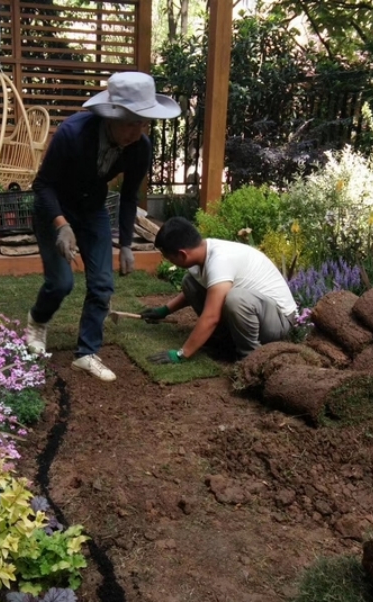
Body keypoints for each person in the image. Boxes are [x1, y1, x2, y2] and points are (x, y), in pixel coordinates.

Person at [24, 71, 181, 382]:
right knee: (61, 283)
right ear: (111, 116)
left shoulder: (140, 147)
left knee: (102, 285)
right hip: (54, 210)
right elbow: (42, 186)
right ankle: (37, 321)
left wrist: (125, 244)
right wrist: (61, 225)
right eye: (131, 122)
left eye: (143, 122)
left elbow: (128, 196)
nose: (138, 130)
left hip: (93, 211)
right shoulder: (72, 133)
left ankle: (86, 353)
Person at [143, 216, 298, 364]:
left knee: (236, 299)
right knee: (190, 282)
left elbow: (211, 316)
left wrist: (182, 354)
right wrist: (164, 311)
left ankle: (250, 357)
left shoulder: (220, 261)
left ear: (183, 254)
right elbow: (199, 293)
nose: (171, 263)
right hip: (258, 314)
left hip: (280, 322)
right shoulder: (204, 251)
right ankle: (224, 342)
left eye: (170, 259)